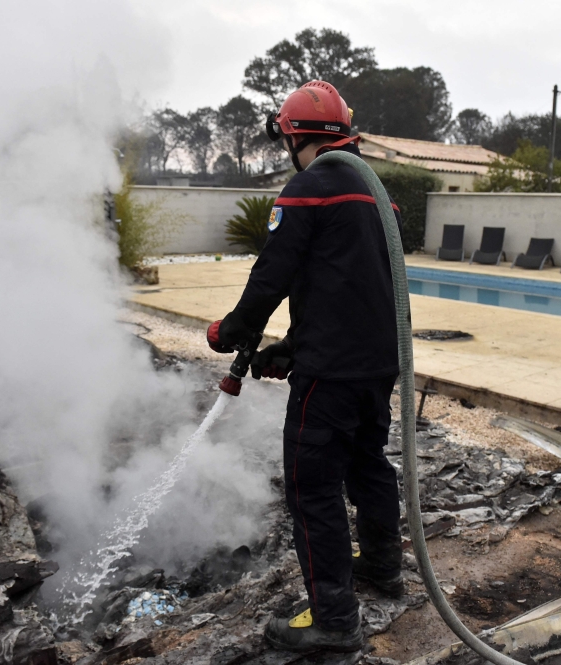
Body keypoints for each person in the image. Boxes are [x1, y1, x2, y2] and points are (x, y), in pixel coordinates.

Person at [206, 80, 403, 654]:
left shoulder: (308, 188)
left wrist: (232, 331)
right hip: (377, 366)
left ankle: (334, 621)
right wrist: (293, 346)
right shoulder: (378, 196)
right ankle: (383, 568)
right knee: (368, 465)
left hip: (331, 378)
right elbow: (349, 288)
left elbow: (273, 275)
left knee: (311, 487)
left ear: (294, 135)